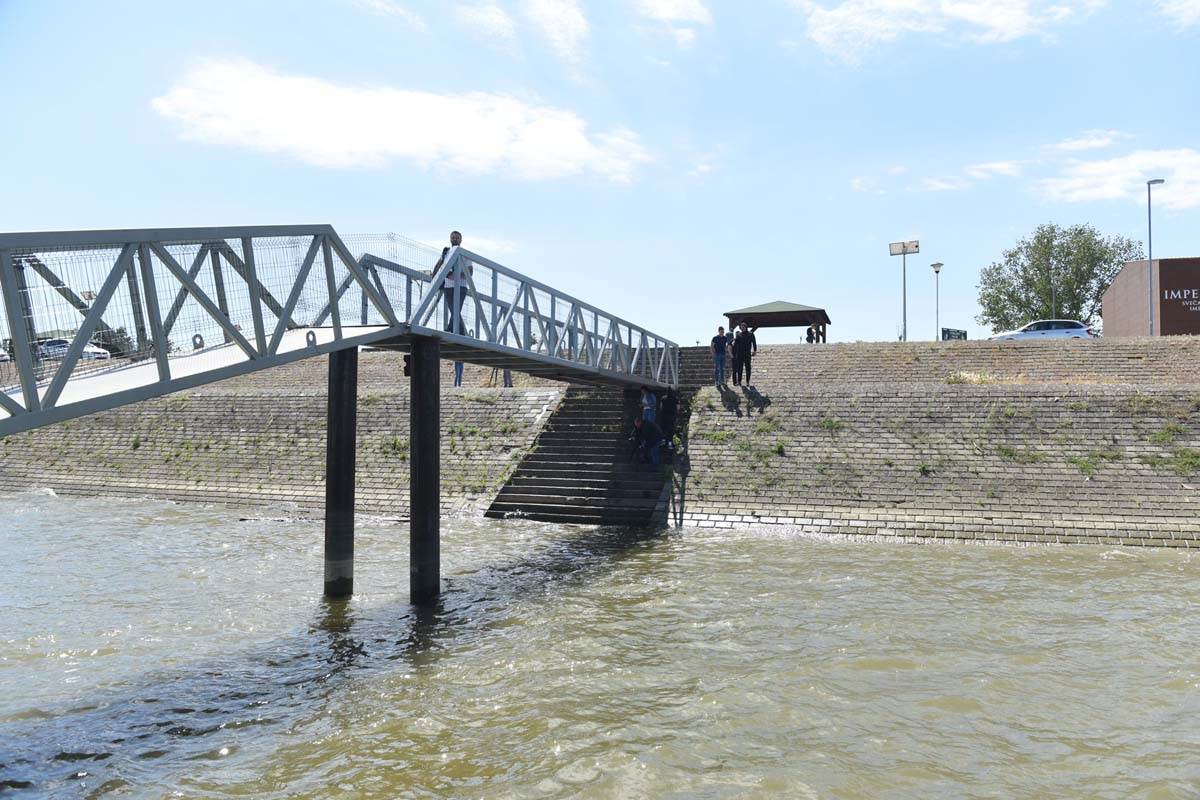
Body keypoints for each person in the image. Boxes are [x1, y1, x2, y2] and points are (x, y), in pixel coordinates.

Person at [732, 322, 757, 386]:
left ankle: (747, 382)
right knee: (739, 368)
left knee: (748, 368)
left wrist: (754, 350)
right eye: (741, 327)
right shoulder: (739, 335)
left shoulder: (751, 334)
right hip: (739, 354)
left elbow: (754, 342)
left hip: (747, 353)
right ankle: (739, 381)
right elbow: (735, 343)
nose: (742, 328)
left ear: (746, 327)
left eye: (743, 327)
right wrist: (732, 343)